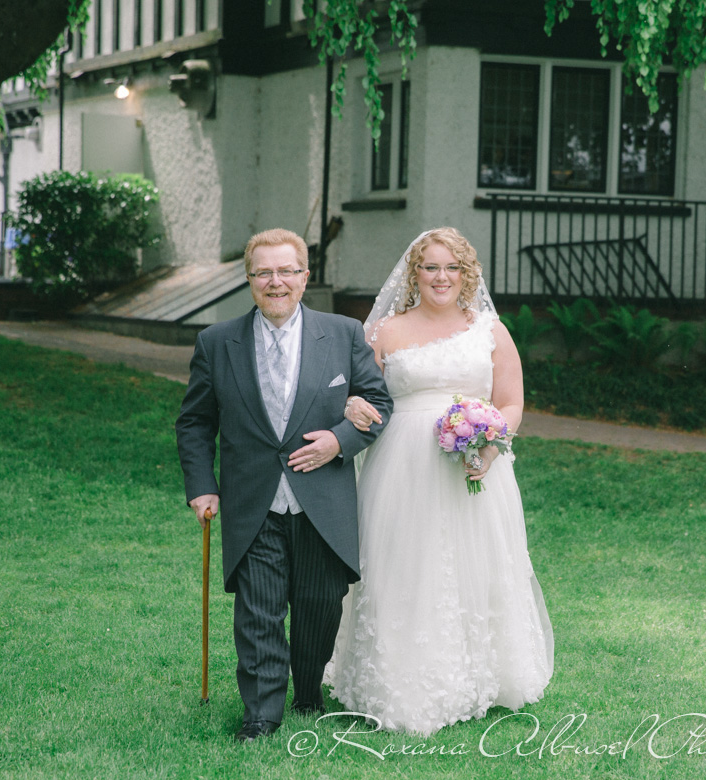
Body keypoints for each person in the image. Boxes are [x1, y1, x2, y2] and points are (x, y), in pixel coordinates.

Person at [325, 227, 554, 736]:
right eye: (431, 267)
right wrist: (352, 405)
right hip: (400, 468)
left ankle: (480, 677)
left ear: (466, 274)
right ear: (415, 274)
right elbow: (353, 392)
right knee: (403, 563)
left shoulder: (490, 331)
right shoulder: (384, 332)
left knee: (475, 564)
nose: (441, 277)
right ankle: (396, 680)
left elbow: (511, 402)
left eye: (452, 267)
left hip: (476, 466)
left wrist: (491, 445)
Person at [175, 228, 393, 743]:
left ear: (305, 276)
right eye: (264, 273)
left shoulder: (343, 333)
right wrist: (202, 486)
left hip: (323, 500)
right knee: (259, 610)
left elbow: (379, 404)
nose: (276, 282)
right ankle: (261, 714)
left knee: (320, 604)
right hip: (252, 501)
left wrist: (339, 441)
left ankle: (308, 690)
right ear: (249, 280)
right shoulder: (216, 342)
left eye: (287, 271)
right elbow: (195, 422)